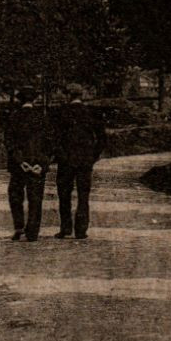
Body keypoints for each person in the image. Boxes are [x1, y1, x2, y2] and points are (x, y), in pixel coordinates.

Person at [52, 84, 108, 240]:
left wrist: (60, 155)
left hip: (66, 160)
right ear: (81, 95)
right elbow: (102, 139)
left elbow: (54, 139)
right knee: (83, 195)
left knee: (64, 194)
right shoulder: (91, 112)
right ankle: (81, 230)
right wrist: (93, 156)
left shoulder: (61, 112)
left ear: (68, 95)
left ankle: (65, 228)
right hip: (85, 161)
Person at [3, 86, 51, 241]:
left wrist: (20, 162)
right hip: (37, 165)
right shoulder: (43, 118)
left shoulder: (13, 117)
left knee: (15, 195)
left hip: (19, 166)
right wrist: (42, 164)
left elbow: (9, 142)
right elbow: (50, 145)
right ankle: (33, 232)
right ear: (35, 100)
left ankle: (19, 226)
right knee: (36, 198)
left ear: (19, 99)